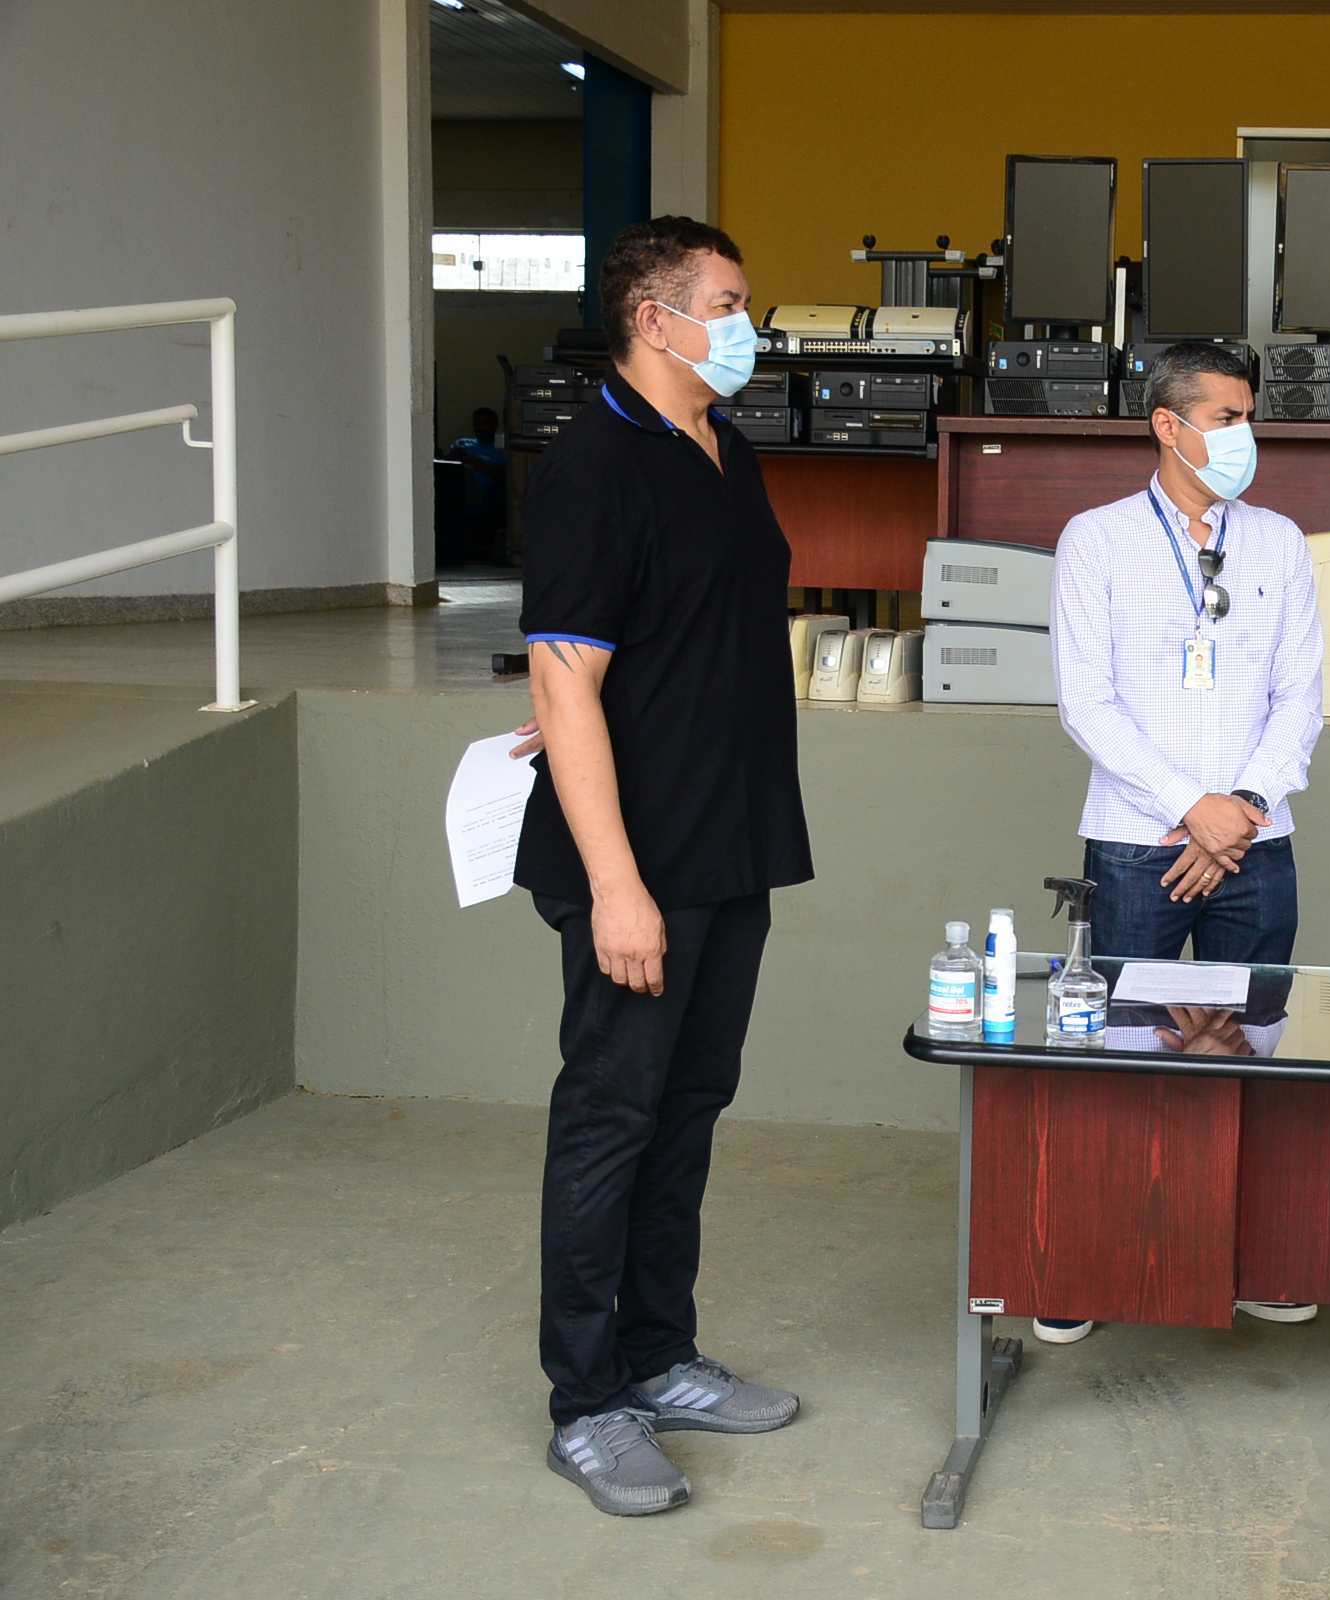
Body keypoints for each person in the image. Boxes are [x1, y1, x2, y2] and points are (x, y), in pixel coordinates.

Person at [513, 216, 812, 1516]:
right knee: (611, 1118)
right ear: (656, 318)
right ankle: (588, 1405)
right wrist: (617, 885)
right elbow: (565, 676)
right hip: (639, 864)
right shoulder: (594, 464)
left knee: (688, 1106)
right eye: (729, 304)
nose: (750, 325)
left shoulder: (724, 448)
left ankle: (657, 1353)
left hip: (730, 841)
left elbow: (672, 635)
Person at [1044, 340, 1326, 1346]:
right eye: (1226, 417)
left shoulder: (1280, 542)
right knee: (1125, 1056)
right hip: (1136, 844)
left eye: (1250, 416)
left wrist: (1238, 806)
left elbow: (1301, 696)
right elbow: (1087, 701)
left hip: (1258, 843)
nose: (1245, 435)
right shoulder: (1098, 539)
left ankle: (1248, 1255)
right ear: (1169, 426)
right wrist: (1189, 805)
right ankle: (1095, 1258)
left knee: (1250, 1051)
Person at [449, 406, 508, 553]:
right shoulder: (462, 444)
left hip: (488, 497)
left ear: (496, 425)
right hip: (459, 494)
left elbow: (508, 476)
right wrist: (451, 459)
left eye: (485, 423)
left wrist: (480, 466)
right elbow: (439, 469)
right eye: (477, 423)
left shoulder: (501, 448)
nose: (480, 428)